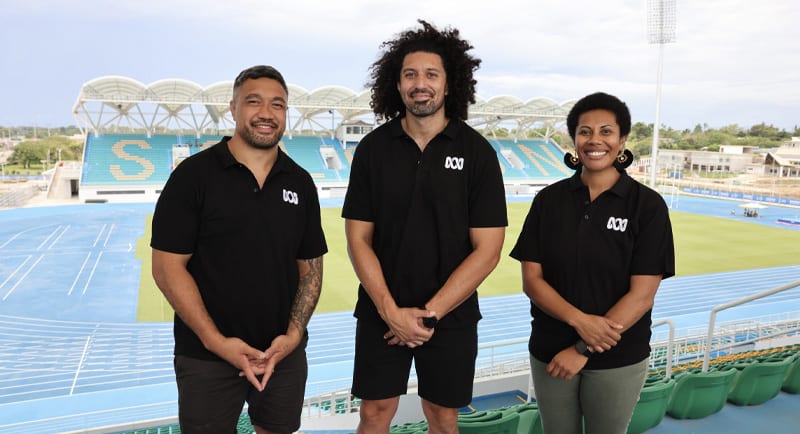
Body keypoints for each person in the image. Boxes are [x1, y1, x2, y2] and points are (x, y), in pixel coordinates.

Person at [342, 19, 507, 434]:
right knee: (375, 412)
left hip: (451, 315)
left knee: (443, 416)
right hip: (383, 310)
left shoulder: (478, 153)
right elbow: (358, 239)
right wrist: (390, 312)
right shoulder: (372, 150)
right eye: (410, 74)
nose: (421, 84)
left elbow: (487, 250)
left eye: (431, 74)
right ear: (396, 85)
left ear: (449, 84)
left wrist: (427, 317)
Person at [150, 65, 327, 434]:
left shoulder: (300, 182)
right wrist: (217, 342)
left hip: (282, 355)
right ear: (233, 108)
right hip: (207, 356)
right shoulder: (193, 177)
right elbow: (167, 269)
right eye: (254, 102)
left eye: (277, 105)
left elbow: (310, 268)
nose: (266, 113)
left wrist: (292, 337)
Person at [510, 92, 675, 434]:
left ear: (622, 140)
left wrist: (583, 347)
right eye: (585, 131)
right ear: (574, 139)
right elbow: (532, 280)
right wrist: (579, 322)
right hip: (550, 351)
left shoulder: (647, 206)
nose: (595, 140)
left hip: (617, 356)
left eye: (606, 131)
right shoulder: (548, 201)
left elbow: (642, 295)